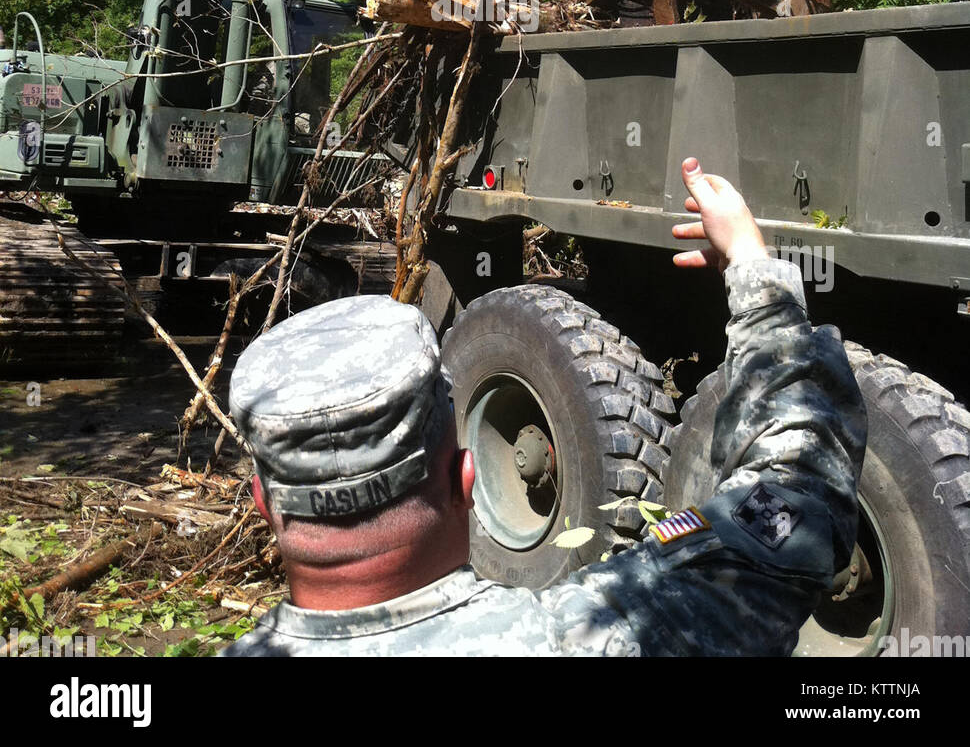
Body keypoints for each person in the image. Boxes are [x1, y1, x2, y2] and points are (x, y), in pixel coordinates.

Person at [222, 157, 867, 657]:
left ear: (262, 499)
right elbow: (792, 509)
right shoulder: (591, 641)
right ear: (466, 479)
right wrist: (754, 272)